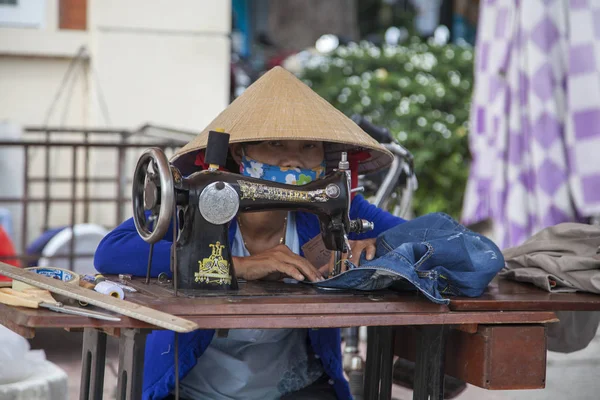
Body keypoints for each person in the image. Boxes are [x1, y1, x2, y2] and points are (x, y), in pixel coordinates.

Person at [94, 67, 405, 400]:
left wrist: (378, 244)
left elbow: (437, 239)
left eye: (309, 146)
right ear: (240, 153)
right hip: (189, 388)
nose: (292, 161)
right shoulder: (200, 204)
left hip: (294, 390)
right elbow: (111, 251)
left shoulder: (331, 205)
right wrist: (239, 265)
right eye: (275, 143)